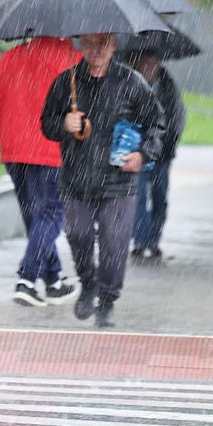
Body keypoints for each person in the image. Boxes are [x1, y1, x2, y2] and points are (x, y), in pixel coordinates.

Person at [40, 32, 164, 329]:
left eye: (103, 43)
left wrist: (143, 154)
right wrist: (63, 123)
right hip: (76, 179)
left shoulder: (131, 82)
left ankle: (107, 300)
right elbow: (46, 123)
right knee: (78, 234)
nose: (96, 50)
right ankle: (88, 282)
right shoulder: (66, 82)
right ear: (80, 45)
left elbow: (157, 123)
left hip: (118, 181)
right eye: (90, 43)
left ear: (114, 46)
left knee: (114, 241)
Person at [0, 35, 81, 308]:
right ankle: (27, 280)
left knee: (36, 218)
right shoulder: (72, 59)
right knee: (50, 215)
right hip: (51, 150)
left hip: (14, 150)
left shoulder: (10, 58)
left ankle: (53, 281)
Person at [125, 49, 185, 261]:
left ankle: (154, 239)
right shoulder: (129, 84)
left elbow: (177, 116)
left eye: (154, 63)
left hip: (162, 152)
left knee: (160, 196)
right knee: (138, 197)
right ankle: (141, 241)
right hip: (138, 151)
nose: (150, 67)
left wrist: (168, 139)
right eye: (146, 63)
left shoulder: (168, 87)